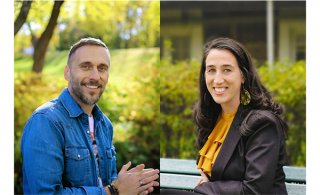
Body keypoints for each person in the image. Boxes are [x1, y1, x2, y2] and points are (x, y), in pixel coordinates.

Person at [21, 37, 159, 195]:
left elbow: (107, 183)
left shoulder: (104, 125)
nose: (95, 76)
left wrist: (129, 185)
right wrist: (113, 191)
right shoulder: (46, 121)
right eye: (85, 66)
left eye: (102, 68)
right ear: (67, 72)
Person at [161, 38, 288, 194]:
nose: (218, 79)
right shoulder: (213, 118)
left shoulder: (262, 123)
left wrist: (207, 188)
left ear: (243, 76)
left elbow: (255, 190)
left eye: (227, 70)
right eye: (211, 70)